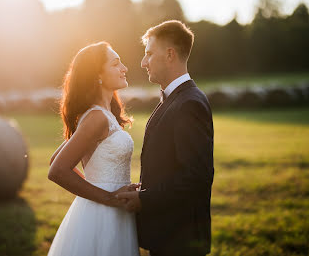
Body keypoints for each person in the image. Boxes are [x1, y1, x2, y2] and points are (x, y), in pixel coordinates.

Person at [116, 20, 214, 256]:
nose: (143, 62)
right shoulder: (173, 99)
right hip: (168, 235)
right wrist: (145, 187)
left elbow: (197, 177)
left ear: (170, 55)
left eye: (149, 54)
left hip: (181, 241)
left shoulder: (189, 103)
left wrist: (144, 200)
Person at [47, 41, 140, 256]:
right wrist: (108, 197)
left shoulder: (102, 115)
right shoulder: (96, 117)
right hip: (102, 213)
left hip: (113, 210)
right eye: (116, 64)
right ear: (97, 74)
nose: (124, 68)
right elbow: (57, 169)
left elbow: (55, 159)